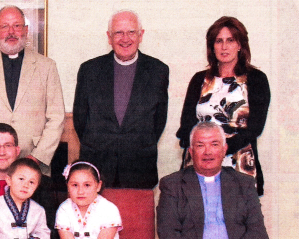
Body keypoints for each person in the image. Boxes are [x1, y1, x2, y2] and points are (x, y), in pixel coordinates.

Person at [0, 5, 65, 177]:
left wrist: (37, 157)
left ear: (26, 30)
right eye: (4, 26)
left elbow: (57, 117)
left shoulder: (47, 66)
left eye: (17, 26)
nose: (11, 32)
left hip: (34, 162)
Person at [73, 10, 169, 189]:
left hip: (139, 168)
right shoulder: (89, 70)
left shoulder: (158, 71)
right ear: (109, 37)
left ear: (141, 35)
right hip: (97, 169)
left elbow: (158, 122)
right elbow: (80, 121)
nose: (125, 39)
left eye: (131, 32)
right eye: (118, 33)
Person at [176, 16, 270, 196]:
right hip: (199, 165)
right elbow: (186, 124)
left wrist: (220, 149)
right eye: (218, 41)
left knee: (237, 222)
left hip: (238, 164)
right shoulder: (199, 79)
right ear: (212, 46)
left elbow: (255, 128)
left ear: (240, 44)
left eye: (230, 40)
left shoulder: (256, 79)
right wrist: (203, 151)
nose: (224, 47)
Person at [157, 122, 268, 239]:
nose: (207, 152)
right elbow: (168, 233)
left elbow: (258, 232)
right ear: (191, 151)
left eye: (214, 145)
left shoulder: (244, 184)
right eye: (200, 145)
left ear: (224, 149)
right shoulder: (172, 185)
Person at [0, 158, 51, 238]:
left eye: (31, 182)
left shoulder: (38, 210)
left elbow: (43, 234)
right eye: (21, 179)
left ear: (37, 186)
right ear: (9, 180)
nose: (26, 185)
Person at [55, 161, 122, 239]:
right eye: (75, 185)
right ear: (67, 186)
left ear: (98, 186)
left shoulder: (109, 209)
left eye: (87, 185)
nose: (80, 191)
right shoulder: (64, 209)